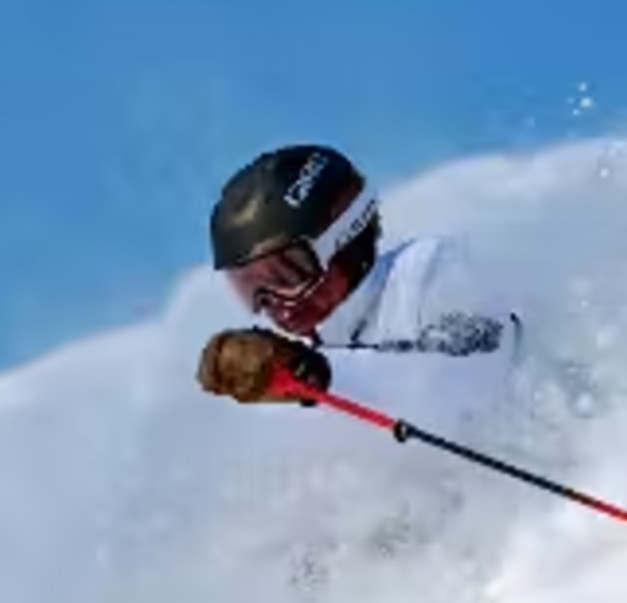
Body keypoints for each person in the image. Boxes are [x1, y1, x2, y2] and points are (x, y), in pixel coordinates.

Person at [195, 144, 522, 406]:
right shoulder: (323, 348)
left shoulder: (429, 272)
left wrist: (312, 372)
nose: (274, 304)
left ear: (343, 239)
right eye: (252, 288)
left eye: (287, 274)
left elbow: (475, 379)